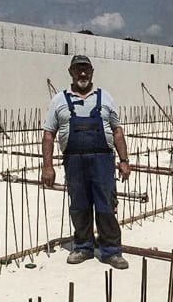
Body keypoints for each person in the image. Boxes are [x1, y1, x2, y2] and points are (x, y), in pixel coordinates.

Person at [42, 54, 131, 269]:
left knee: (106, 205)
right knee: (79, 205)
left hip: (102, 160)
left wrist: (124, 160)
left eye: (86, 69)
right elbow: (48, 135)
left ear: (92, 72)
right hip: (74, 162)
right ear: (70, 72)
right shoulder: (59, 101)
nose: (82, 73)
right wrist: (48, 167)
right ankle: (83, 246)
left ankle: (111, 250)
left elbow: (117, 132)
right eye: (78, 69)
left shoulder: (106, 98)